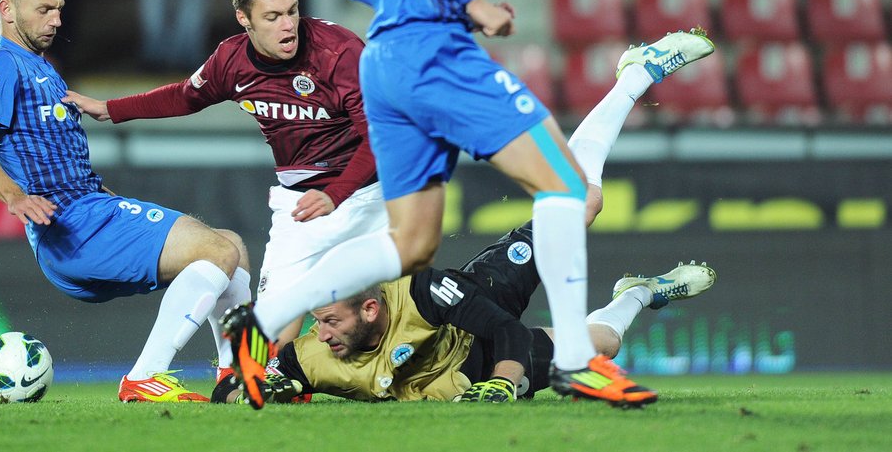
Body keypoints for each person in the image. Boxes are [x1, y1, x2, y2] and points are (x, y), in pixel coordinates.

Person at [220, 0, 716, 410]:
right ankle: (575, 357)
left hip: (382, 58)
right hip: (432, 51)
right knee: (566, 185)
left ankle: (261, 317)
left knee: (412, 241)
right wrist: (468, 0)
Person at [0, 0, 252, 403]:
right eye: (44, 10)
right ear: (7, 9)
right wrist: (14, 196)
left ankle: (239, 379)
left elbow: (57, 155)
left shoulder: (43, 68)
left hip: (90, 214)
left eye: (59, 9)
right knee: (219, 250)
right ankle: (145, 377)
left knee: (233, 246)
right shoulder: (2, 66)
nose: (56, 20)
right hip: (72, 229)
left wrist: (106, 196)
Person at [62, 0, 388, 351]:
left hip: (367, 195)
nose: (288, 26)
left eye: (293, 11)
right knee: (268, 338)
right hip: (299, 205)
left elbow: (380, 138)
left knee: (395, 313)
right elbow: (185, 97)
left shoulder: (340, 53)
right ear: (244, 19)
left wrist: (335, 193)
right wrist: (111, 109)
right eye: (272, 17)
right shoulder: (231, 61)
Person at [212, 247, 716, 404]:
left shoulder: (417, 293)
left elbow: (507, 334)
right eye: (318, 323)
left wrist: (503, 379)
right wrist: (252, 388)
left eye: (328, 322)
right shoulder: (310, 355)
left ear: (368, 311)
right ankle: (638, 292)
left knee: (580, 205)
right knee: (603, 343)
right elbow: (231, 391)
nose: (319, 333)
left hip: (475, 338)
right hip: (462, 376)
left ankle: (632, 81)